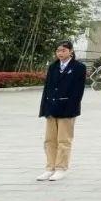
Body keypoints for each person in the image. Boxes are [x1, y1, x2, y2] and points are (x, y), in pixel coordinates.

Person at [37, 40, 86, 181]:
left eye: (63, 50)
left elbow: (78, 92)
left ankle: (61, 168)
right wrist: (44, 108)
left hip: (67, 109)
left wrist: (71, 109)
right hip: (51, 108)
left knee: (64, 140)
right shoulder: (53, 67)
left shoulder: (78, 67)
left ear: (71, 51)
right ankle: (50, 168)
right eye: (58, 50)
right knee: (49, 140)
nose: (60, 53)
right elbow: (47, 89)